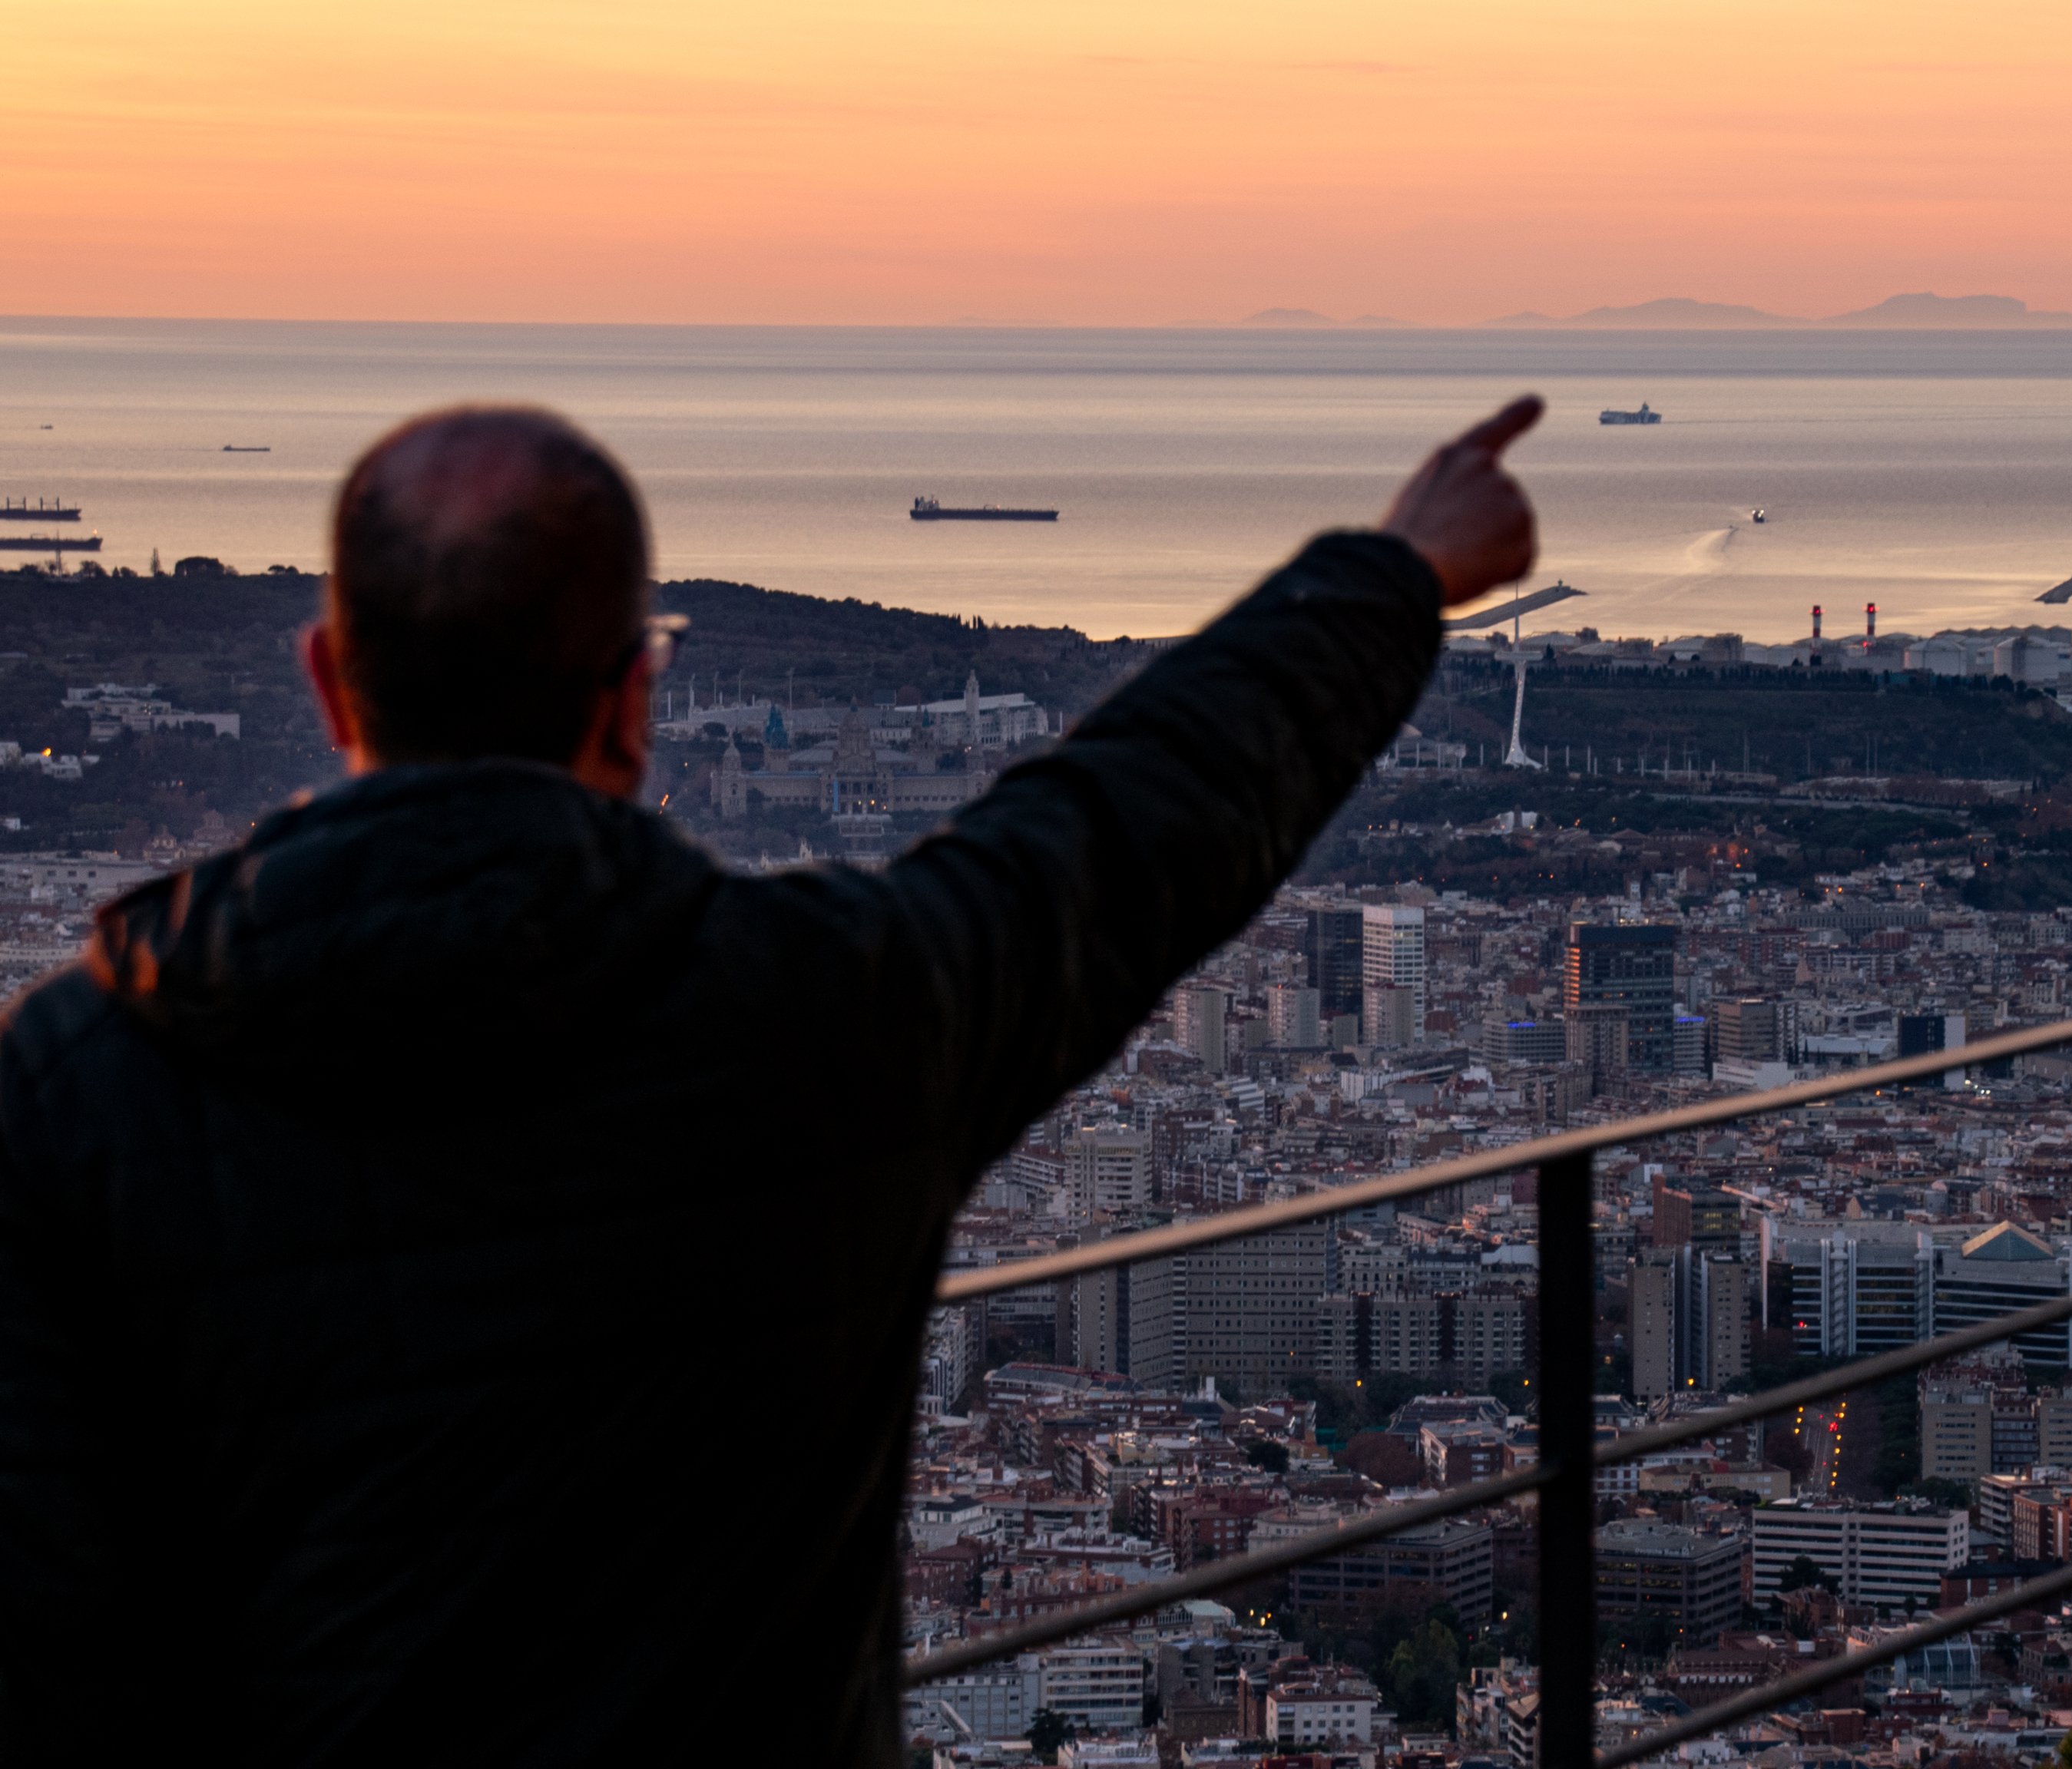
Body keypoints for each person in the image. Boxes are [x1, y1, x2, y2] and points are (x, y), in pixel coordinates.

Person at [0, 395, 1543, 1762]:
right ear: (634, 698)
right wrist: (1392, 571)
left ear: (331, 683)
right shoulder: (831, 1012)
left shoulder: (68, 1092)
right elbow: (1125, 829)